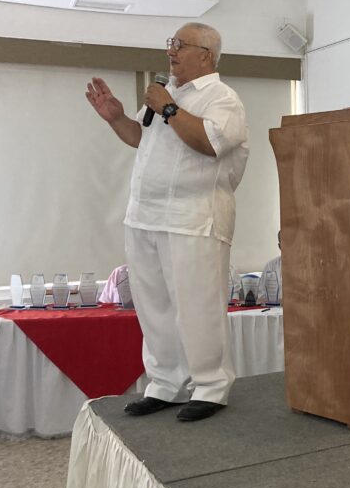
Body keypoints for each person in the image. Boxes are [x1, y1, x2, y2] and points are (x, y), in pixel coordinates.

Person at [85, 22, 249, 422]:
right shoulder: (167, 96)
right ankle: (165, 383)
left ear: (206, 55)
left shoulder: (221, 98)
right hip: (145, 216)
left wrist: (168, 108)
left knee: (196, 307)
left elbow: (209, 143)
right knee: (153, 307)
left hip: (193, 220)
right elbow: (143, 139)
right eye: (171, 44)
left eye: (180, 45)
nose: (171, 52)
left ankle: (210, 387)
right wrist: (115, 118)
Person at [257, 231, 283, 305]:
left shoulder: (303, 266)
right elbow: (261, 294)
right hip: (274, 310)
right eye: (284, 241)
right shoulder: (270, 266)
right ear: (279, 246)